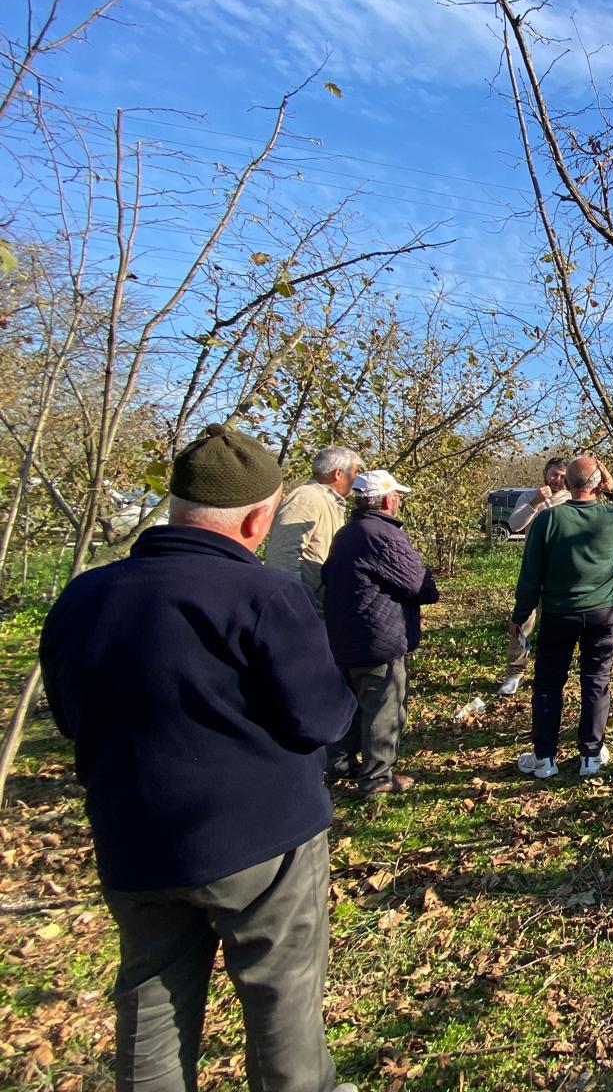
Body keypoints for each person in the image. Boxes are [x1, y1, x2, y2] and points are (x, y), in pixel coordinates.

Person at [39, 423, 358, 1092]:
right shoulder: (264, 595)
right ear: (257, 521)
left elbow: (70, 718)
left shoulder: (84, 596)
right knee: (281, 999)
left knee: (151, 1006)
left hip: (133, 838)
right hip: (262, 842)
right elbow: (323, 718)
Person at [511, 456, 613, 777]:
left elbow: (531, 574)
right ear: (598, 484)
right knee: (597, 681)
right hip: (605, 612)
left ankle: (545, 758)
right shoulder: (612, 516)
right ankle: (590, 756)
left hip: (560, 613)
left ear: (566, 484)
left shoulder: (548, 519)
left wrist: (520, 615)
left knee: (548, 683)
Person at [322, 469, 440, 798]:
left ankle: (340, 764)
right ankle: (377, 778)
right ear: (388, 501)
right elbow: (418, 586)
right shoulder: (385, 535)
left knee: (351, 704)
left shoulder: (346, 533)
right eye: (397, 496)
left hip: (344, 633)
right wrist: (428, 576)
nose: (398, 501)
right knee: (384, 707)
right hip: (378, 638)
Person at [496, 457, 570, 698]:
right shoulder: (529, 496)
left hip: (561, 574)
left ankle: (550, 671)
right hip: (533, 572)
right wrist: (536, 502)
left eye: (562, 475)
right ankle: (515, 672)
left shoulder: (572, 499)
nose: (557, 480)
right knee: (522, 622)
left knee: (556, 625)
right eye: (554, 474)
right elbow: (515, 525)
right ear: (545, 474)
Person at [261, 444, 362, 613]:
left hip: (316, 608)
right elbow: (282, 554)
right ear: (338, 473)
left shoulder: (328, 501)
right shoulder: (307, 497)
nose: (358, 478)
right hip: (302, 610)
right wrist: (296, 603)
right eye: (356, 472)